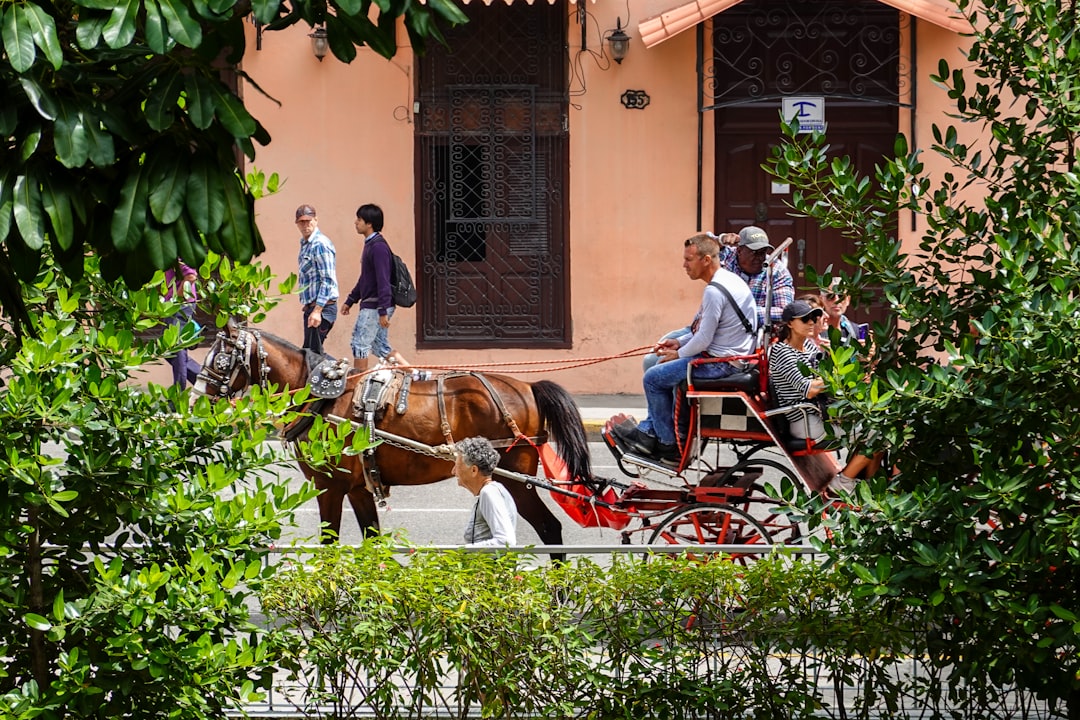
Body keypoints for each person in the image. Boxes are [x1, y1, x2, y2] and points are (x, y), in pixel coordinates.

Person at [615, 234, 758, 466]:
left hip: (720, 364)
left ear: (706, 260)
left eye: (689, 260)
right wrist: (679, 342)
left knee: (653, 378)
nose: (684, 266)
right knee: (655, 364)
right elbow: (704, 331)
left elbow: (703, 339)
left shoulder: (714, 291)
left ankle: (668, 444)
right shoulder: (728, 280)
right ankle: (650, 430)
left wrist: (678, 354)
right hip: (730, 357)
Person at [769, 299, 880, 494]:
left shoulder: (809, 348)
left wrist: (860, 363)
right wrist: (837, 375)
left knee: (879, 425)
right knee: (876, 434)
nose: (812, 322)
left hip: (821, 413)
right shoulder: (782, 352)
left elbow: (828, 375)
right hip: (804, 419)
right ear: (789, 324)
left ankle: (869, 487)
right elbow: (808, 389)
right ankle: (844, 481)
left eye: (813, 317)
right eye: (805, 319)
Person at [341, 204, 408, 371]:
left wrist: (383, 310)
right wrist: (351, 300)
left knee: (360, 344)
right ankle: (416, 374)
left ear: (369, 223)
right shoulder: (371, 245)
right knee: (380, 346)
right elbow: (366, 278)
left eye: (359, 219)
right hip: (374, 304)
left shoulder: (378, 247)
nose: (356, 223)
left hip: (375, 306)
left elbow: (383, 280)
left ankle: (358, 383)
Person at [717, 226, 795, 327]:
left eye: (762, 252)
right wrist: (720, 240)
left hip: (757, 332)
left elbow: (784, 311)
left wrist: (740, 312)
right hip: (721, 327)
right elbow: (698, 246)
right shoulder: (728, 256)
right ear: (739, 251)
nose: (759, 258)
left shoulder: (777, 270)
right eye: (754, 252)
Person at [454, 436, 517, 547]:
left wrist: (463, 551)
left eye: (457, 466)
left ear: (474, 470)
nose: (453, 472)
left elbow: (505, 542)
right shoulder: (492, 490)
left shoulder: (489, 493)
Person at [295, 204, 339, 351]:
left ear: (316, 220)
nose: (305, 225)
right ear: (297, 224)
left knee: (311, 356)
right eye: (301, 222)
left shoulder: (320, 244)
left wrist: (317, 311)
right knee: (309, 353)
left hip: (323, 308)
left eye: (308, 221)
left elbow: (328, 280)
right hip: (312, 308)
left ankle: (343, 372)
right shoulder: (306, 244)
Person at [163, 260, 202, 389]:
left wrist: (177, 298)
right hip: (174, 305)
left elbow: (191, 276)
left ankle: (178, 394)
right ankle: (204, 381)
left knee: (176, 347)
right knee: (168, 350)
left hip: (180, 305)